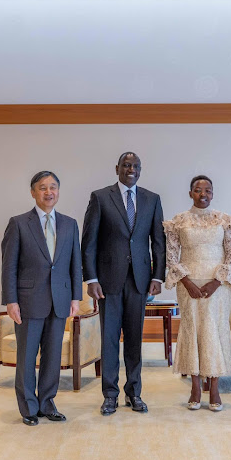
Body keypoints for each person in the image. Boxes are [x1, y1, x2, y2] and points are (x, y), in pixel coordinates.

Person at [82, 152, 166, 416]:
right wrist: (91, 278)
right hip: (108, 281)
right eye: (127, 165)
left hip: (140, 280)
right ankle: (110, 395)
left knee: (134, 339)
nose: (132, 169)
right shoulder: (100, 197)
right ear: (117, 168)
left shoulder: (152, 199)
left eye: (136, 166)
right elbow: (89, 242)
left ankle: (134, 392)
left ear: (141, 170)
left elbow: (158, 242)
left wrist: (157, 276)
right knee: (109, 339)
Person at [1, 171, 82, 427]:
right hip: (28, 301)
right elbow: (9, 266)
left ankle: (48, 403)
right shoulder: (18, 223)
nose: (49, 192)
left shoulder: (70, 224)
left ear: (58, 191)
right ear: (33, 192)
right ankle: (28, 408)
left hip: (60, 300)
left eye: (53, 187)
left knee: (52, 355)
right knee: (27, 356)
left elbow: (74, 264)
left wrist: (76, 297)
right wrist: (10, 300)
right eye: (43, 187)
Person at [163, 175, 231, 412]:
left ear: (213, 194)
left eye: (207, 190)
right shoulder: (179, 222)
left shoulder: (224, 220)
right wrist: (187, 282)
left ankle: (214, 388)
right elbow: (172, 256)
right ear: (190, 193)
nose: (203, 194)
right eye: (198, 190)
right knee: (192, 330)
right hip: (188, 285)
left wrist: (215, 283)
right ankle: (195, 387)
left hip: (217, 286)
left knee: (214, 330)